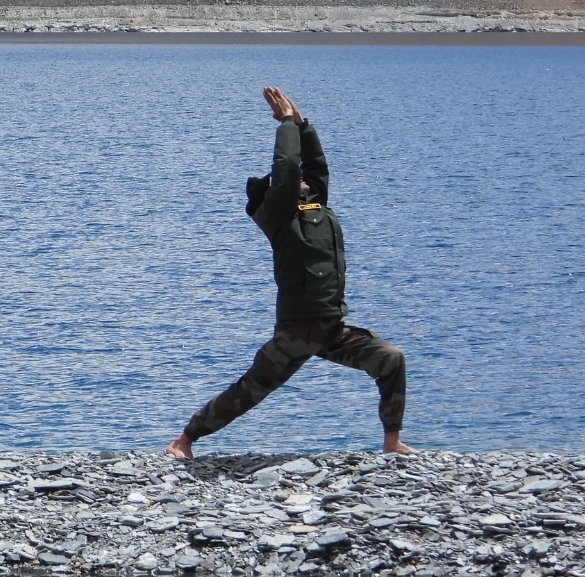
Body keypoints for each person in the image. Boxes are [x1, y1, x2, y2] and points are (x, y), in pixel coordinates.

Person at [167, 87, 414, 459]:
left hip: (332, 327)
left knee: (390, 358)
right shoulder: (279, 216)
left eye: (303, 183)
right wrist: (284, 127)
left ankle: (391, 441)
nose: (301, 181)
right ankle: (185, 440)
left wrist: (301, 124)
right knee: (250, 390)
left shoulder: (314, 207)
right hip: (296, 332)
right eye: (293, 182)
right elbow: (286, 168)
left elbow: (316, 167)